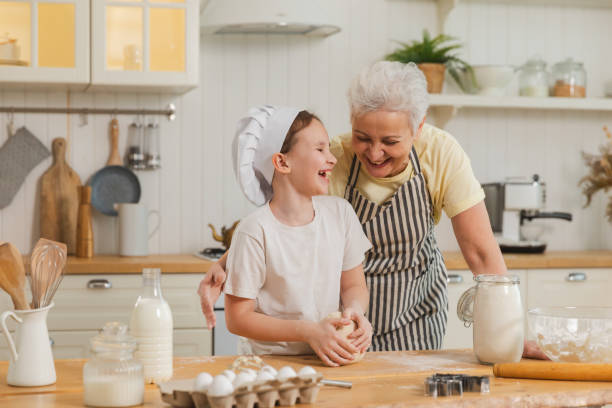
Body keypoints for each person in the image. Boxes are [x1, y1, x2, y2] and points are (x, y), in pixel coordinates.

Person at [199, 62, 546, 359]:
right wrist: (226, 262)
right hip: (341, 327)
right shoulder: (333, 157)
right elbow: (283, 219)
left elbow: (481, 252)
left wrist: (510, 334)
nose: (374, 152)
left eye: (390, 142)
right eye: (362, 137)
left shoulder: (440, 154)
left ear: (418, 128)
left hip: (415, 315)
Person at [222, 106, 373, 366]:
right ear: (282, 162)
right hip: (268, 367)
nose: (332, 158)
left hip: (329, 359)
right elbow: (237, 318)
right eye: (319, 149)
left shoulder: (341, 214)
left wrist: (355, 312)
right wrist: (307, 331)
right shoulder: (255, 231)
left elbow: (353, 286)